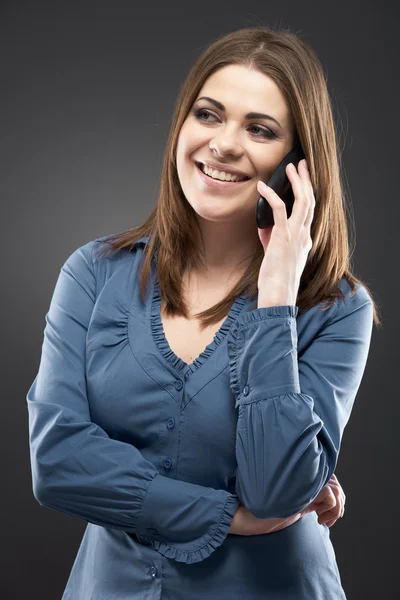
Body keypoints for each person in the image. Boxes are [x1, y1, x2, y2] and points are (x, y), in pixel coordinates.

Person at [26, 26, 380, 600]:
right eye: (209, 115)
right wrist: (225, 515)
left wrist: (276, 301)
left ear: (299, 165)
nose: (223, 144)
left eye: (260, 129)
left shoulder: (336, 310)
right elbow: (58, 461)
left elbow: (272, 492)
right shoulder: (94, 272)